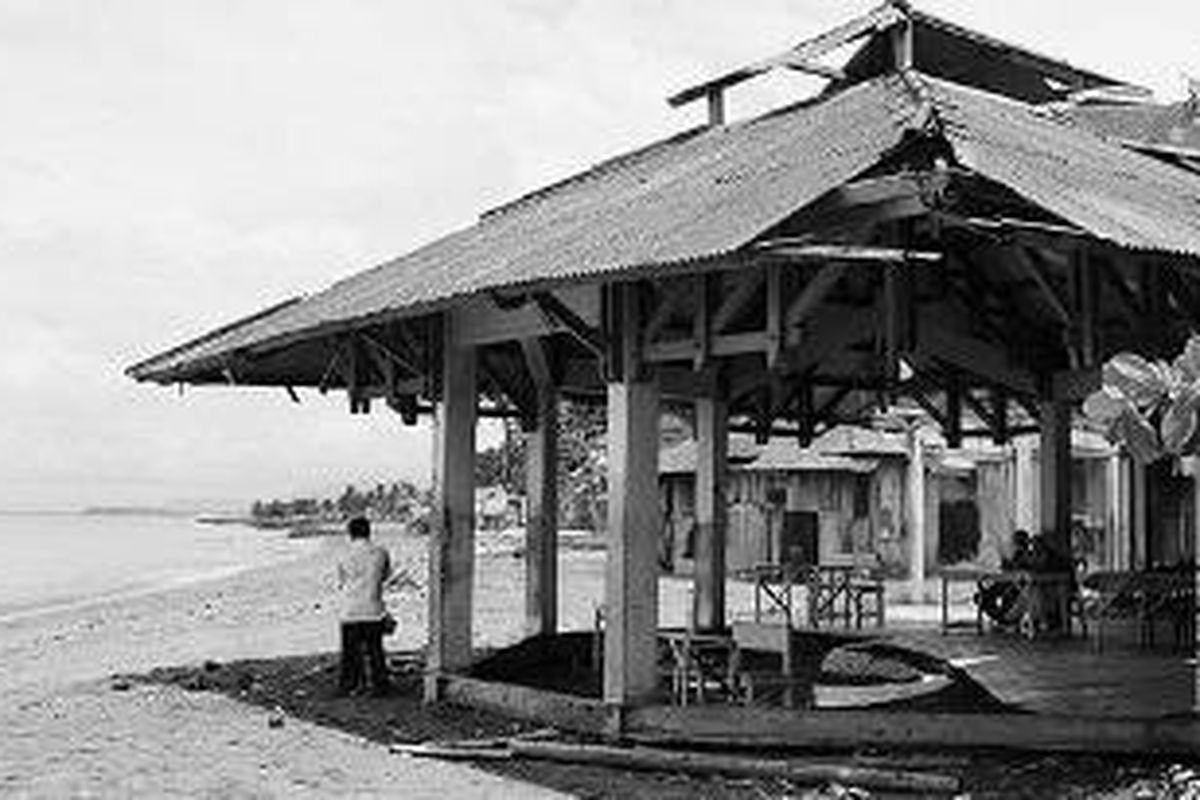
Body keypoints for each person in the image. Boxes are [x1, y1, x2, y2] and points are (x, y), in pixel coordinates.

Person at [335, 516, 416, 697]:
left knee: (350, 654)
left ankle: (350, 685)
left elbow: (342, 581)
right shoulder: (380, 552)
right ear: (369, 532)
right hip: (373, 610)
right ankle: (380, 686)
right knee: (375, 651)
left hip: (350, 611)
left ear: (350, 534)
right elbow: (385, 576)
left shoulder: (343, 554)